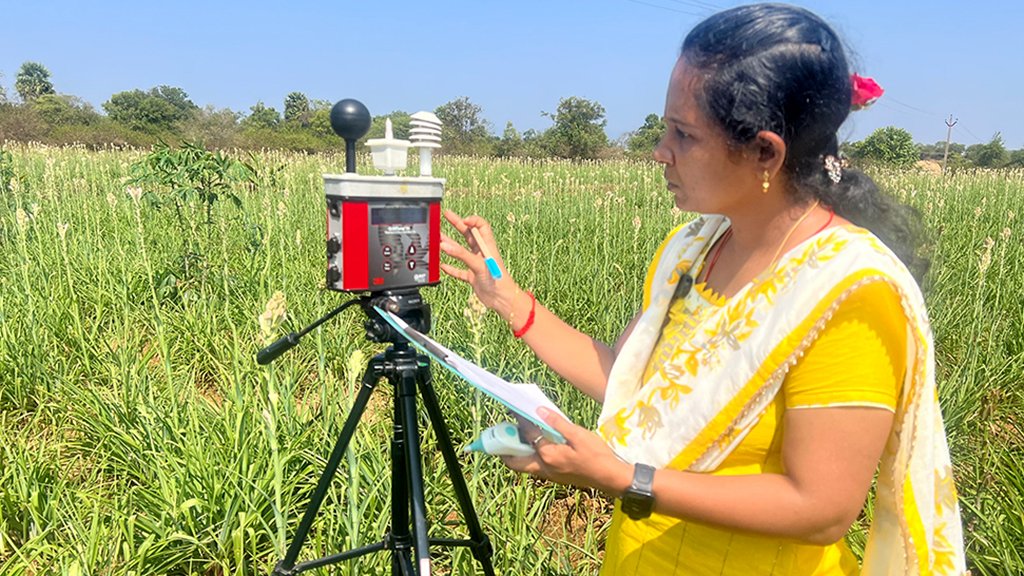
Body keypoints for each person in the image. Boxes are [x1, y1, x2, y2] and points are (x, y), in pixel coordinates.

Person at [439, 4, 966, 575]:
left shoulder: (849, 291)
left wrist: (623, 478)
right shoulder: (696, 248)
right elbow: (630, 379)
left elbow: (821, 509)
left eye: (683, 135)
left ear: (765, 152)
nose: (659, 151)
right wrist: (510, 301)